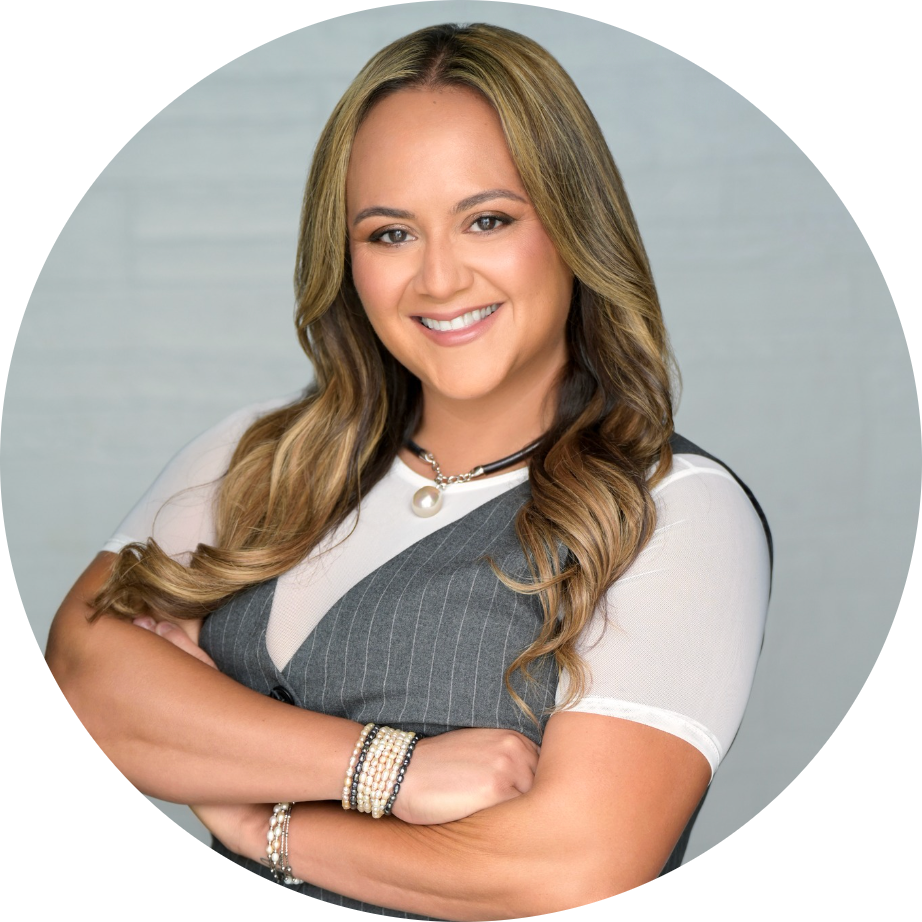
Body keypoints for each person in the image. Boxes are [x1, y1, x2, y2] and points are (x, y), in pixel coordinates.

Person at [46, 22, 771, 918]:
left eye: (488, 220)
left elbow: (575, 870)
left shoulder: (675, 511)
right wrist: (390, 770)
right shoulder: (253, 456)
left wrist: (260, 826)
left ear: (574, 226)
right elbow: (82, 676)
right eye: (390, 233)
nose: (438, 279)